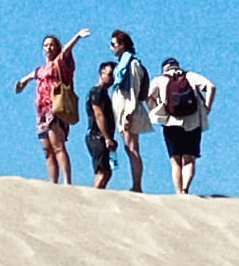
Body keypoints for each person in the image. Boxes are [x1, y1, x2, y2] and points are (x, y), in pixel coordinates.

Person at [14, 28, 89, 184]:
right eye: (46, 45)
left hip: (55, 107)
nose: (49, 48)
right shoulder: (41, 69)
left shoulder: (60, 63)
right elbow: (30, 77)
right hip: (42, 110)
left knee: (58, 145)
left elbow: (66, 51)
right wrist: (22, 83)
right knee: (47, 149)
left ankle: (67, 181)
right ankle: (52, 182)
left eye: (52, 45)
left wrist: (77, 37)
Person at [100, 29, 153, 192]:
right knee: (128, 147)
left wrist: (129, 113)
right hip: (122, 110)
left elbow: (133, 90)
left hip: (128, 110)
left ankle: (137, 185)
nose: (112, 48)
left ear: (122, 44)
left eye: (113, 44)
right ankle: (136, 184)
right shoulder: (123, 64)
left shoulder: (132, 64)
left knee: (132, 147)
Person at [156, 54, 215, 193]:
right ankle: (185, 189)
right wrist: (207, 107)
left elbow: (148, 95)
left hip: (170, 122)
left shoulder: (160, 80)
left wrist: (157, 109)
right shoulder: (191, 76)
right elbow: (211, 86)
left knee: (175, 159)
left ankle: (178, 191)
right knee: (189, 158)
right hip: (193, 122)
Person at [83, 60, 119, 189]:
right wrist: (107, 138)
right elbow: (99, 114)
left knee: (107, 172)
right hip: (96, 136)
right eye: (109, 74)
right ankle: (93, 197)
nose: (111, 78)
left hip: (101, 137)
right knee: (102, 172)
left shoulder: (103, 93)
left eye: (113, 76)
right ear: (101, 74)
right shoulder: (97, 92)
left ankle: (98, 194)